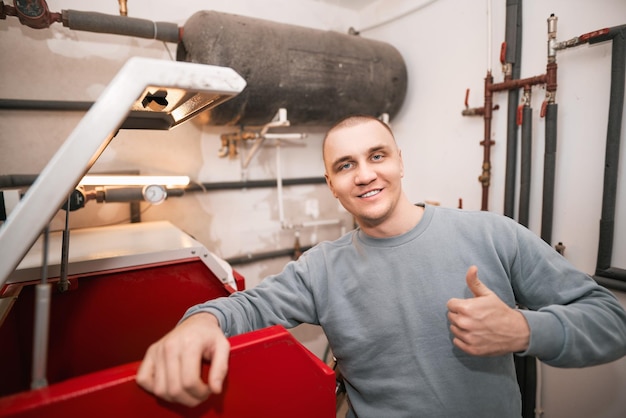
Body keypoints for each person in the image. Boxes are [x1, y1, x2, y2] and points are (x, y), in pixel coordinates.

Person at [137, 115, 626, 417]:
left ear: (400, 161)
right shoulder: (320, 269)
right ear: (331, 183)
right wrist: (198, 321)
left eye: (377, 156)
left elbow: (611, 320)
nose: (365, 174)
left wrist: (524, 330)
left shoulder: (491, 234)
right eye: (346, 165)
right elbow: (246, 308)